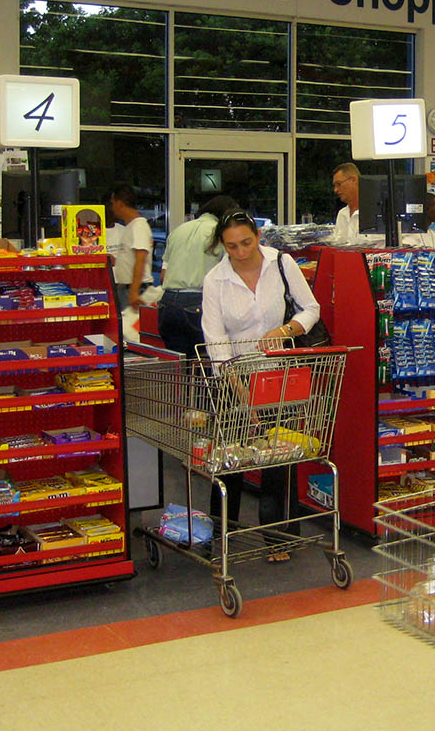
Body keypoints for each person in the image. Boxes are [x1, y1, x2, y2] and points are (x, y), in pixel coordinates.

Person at [201, 208, 321, 562]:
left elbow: (310, 309)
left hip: (276, 375)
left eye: (246, 243)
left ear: (258, 236)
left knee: (278, 458)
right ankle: (223, 532)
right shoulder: (215, 280)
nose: (239, 253)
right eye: (231, 247)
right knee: (230, 460)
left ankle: (278, 536)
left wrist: (285, 331)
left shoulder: (282, 264)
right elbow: (214, 339)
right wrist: (237, 387)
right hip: (232, 376)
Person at [157, 194, 234, 357]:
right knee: (205, 367)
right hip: (198, 303)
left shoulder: (178, 231)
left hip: (167, 305)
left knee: (179, 368)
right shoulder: (220, 234)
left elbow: (163, 275)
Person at [108, 184, 153, 311]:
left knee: (132, 329)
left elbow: (141, 259)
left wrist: (134, 291)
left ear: (120, 203)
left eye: (113, 203)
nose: (112, 208)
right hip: (126, 288)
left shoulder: (139, 226)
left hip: (135, 289)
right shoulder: (130, 227)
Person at [332, 162, 361, 242]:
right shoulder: (342, 214)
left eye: (339, 184)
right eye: (334, 186)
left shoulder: (376, 213)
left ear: (353, 180)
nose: (336, 190)